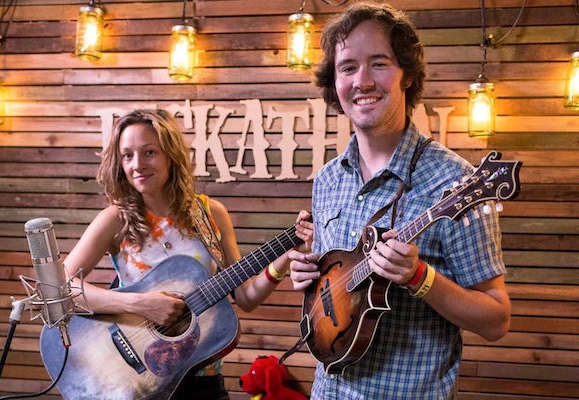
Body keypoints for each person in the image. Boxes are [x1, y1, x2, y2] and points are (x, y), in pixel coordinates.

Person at [287, 3, 511, 399]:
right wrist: (311, 278)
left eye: (379, 63)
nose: (362, 81)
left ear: (406, 74)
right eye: (348, 67)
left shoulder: (455, 181)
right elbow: (337, 281)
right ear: (334, 82)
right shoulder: (327, 179)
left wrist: (420, 278)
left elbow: (496, 320)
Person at [63, 108, 313, 400]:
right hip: (138, 384)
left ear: (171, 155)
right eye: (127, 155)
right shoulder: (115, 220)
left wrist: (286, 254)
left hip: (203, 376)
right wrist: (139, 304)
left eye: (149, 152)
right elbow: (59, 287)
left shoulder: (210, 215)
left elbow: (245, 298)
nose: (137, 165)